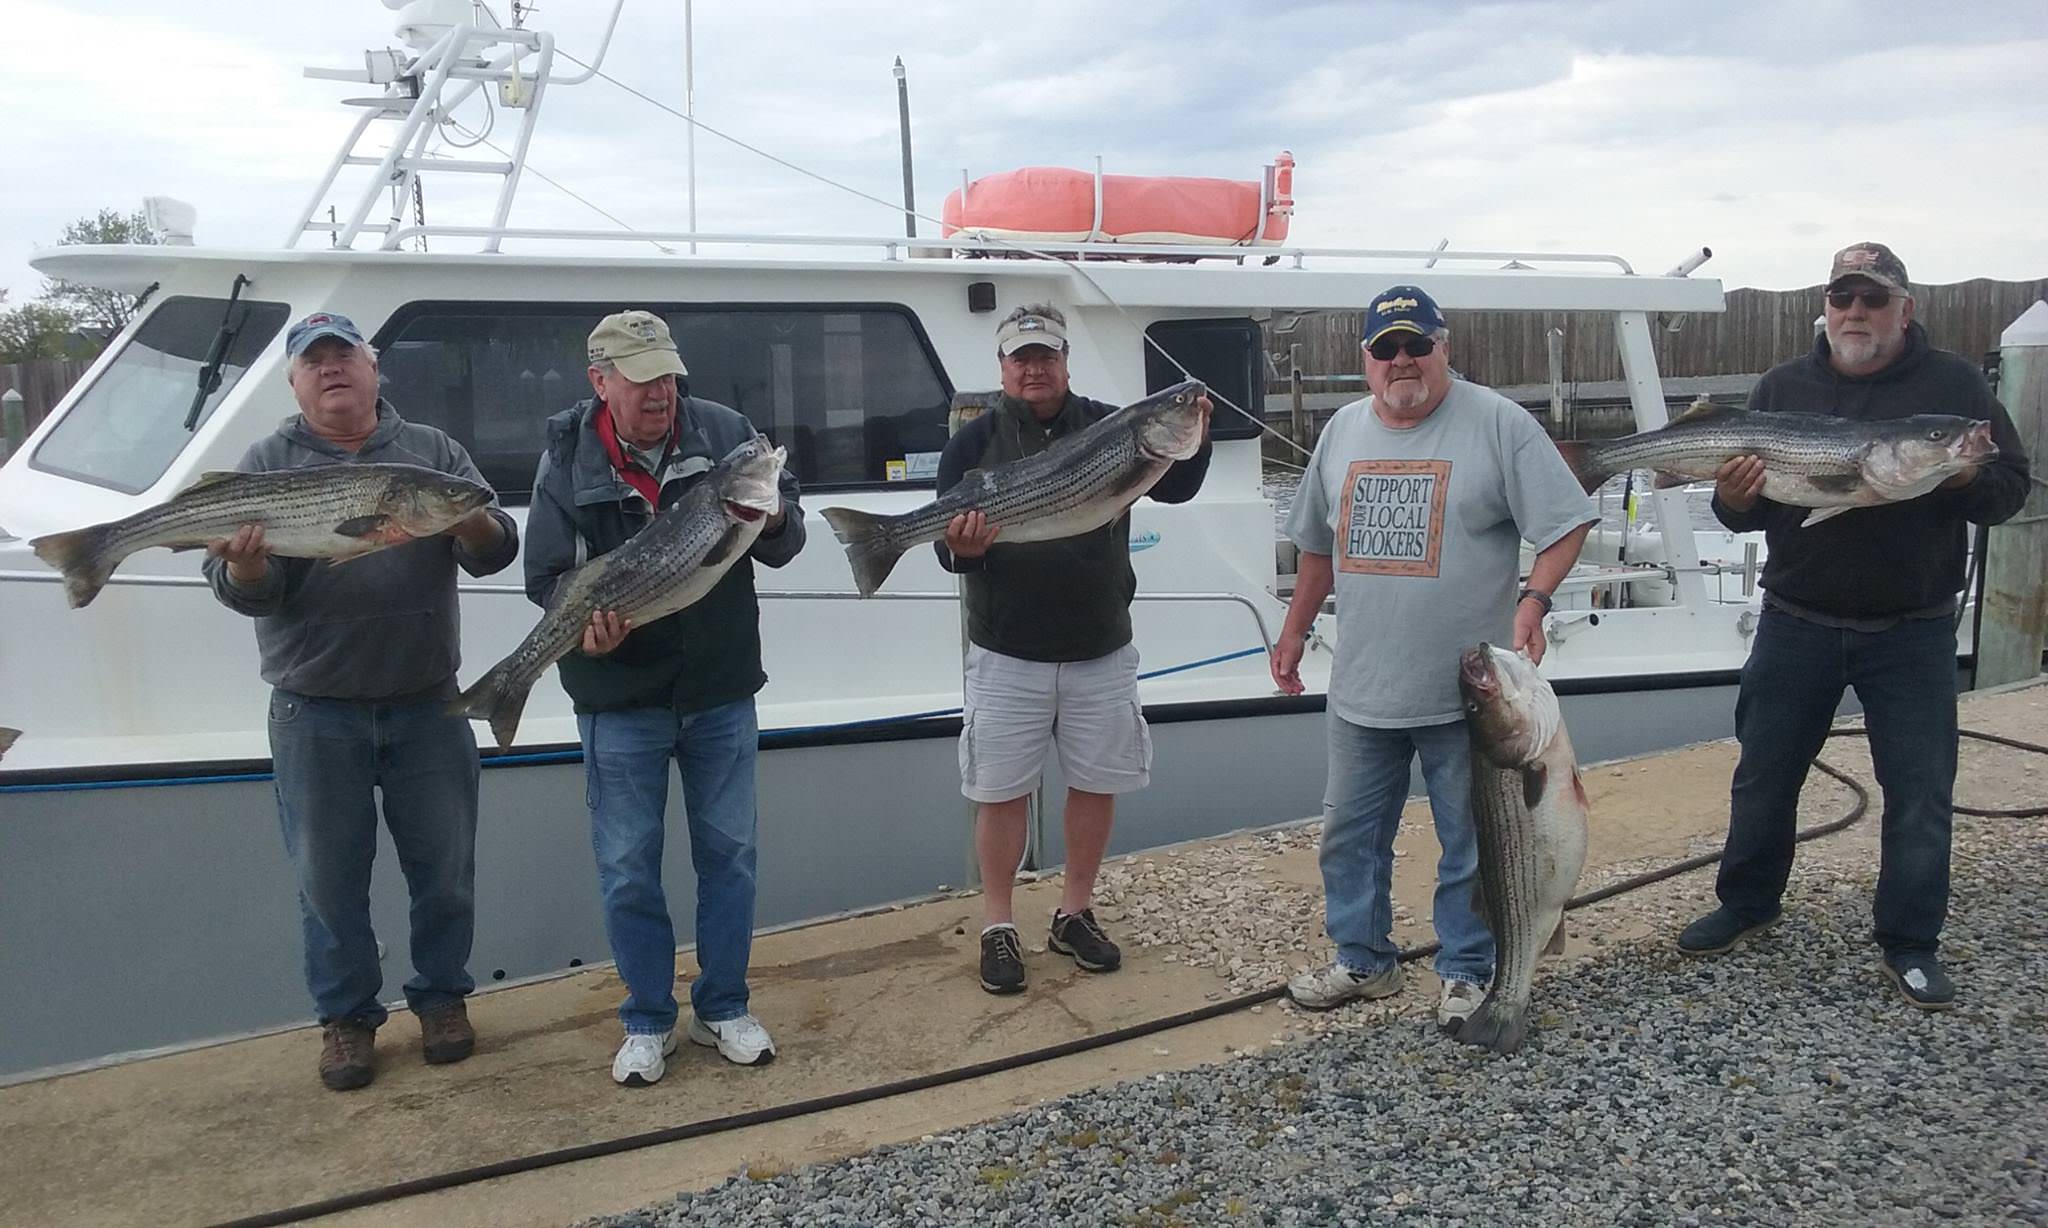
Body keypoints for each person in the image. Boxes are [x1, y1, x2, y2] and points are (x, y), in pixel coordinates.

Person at [1677, 242, 2031, 1010]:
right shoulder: (1783, 386)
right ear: (1826, 308)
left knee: (1919, 791)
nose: (1857, 313)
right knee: (1765, 777)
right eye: (1844, 298)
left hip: (1913, 630)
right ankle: (1748, 903)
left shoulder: (1955, 390)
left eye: (1874, 299)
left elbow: (2008, 489)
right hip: (1796, 620)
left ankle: (1909, 941)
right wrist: (1736, 496)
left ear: (1906, 309)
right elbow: (1740, 515)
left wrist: (1959, 467)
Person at [204, 311, 518, 1091]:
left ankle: (443, 1000)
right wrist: (244, 569)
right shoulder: (266, 461)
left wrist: (468, 517)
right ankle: (347, 1023)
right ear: (295, 380)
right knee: (327, 881)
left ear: (375, 370)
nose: (332, 368)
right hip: (315, 710)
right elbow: (247, 594)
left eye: (345, 354)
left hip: (427, 702)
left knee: (444, 871)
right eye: (315, 360)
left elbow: (497, 550)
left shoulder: (433, 454)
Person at [1270, 285, 1596, 1030]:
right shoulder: (1342, 432)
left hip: (1471, 701)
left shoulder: (1499, 425)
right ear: (1366, 360)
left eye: (1417, 344)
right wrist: (1293, 632)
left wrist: (1534, 601)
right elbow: (1317, 546)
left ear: (1444, 347)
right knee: (1348, 836)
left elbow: (1567, 523)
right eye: (1386, 349)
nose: (1403, 360)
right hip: (1362, 689)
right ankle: (1362, 958)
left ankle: (1468, 970)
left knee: (1474, 846)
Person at [524, 310, 805, 1086]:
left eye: (669, 375)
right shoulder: (564, 460)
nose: (661, 393)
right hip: (619, 696)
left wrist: (776, 515)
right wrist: (585, 634)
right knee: (626, 867)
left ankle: (724, 1006)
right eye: (643, 378)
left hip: (718, 688)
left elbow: (788, 541)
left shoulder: (728, 438)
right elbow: (545, 580)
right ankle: (648, 1018)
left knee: (731, 857)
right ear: (601, 380)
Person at [936, 303, 1213, 995]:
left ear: (1066, 361)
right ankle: (999, 923)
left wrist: (1195, 432)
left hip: (1099, 641)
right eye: (1020, 357)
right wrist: (960, 549)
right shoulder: (970, 445)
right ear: (1002, 367)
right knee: (998, 792)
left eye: (1046, 355)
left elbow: (1176, 484)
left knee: (1095, 783)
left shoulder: (1114, 426)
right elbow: (952, 556)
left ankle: (1075, 911)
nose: (1034, 368)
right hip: (1006, 648)